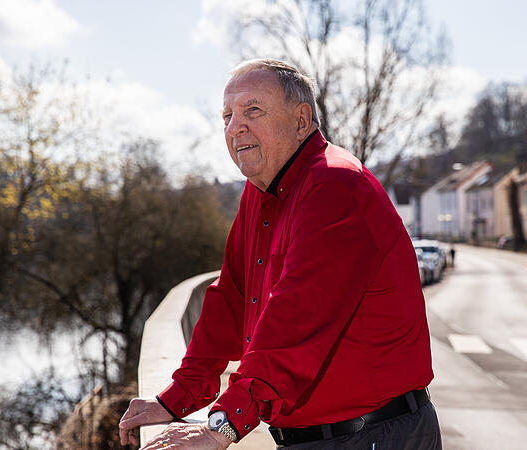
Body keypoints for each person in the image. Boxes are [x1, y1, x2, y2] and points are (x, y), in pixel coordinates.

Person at [118, 59, 439, 449]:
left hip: (373, 435)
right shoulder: (259, 194)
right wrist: (176, 398)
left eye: (253, 110)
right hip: (313, 438)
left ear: (302, 120)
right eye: (227, 115)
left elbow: (296, 321)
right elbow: (231, 301)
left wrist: (221, 425)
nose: (235, 126)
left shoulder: (335, 187)